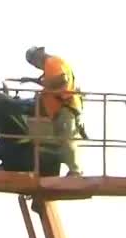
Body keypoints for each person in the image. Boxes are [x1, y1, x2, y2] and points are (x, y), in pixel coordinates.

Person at [18, 46, 83, 176]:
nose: (35, 65)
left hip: (65, 106)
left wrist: (43, 86)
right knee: (62, 141)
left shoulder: (52, 62)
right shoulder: (50, 65)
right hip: (59, 110)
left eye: (34, 60)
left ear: (40, 53)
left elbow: (61, 80)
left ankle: (75, 171)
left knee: (66, 139)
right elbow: (53, 81)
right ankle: (71, 170)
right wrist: (33, 81)